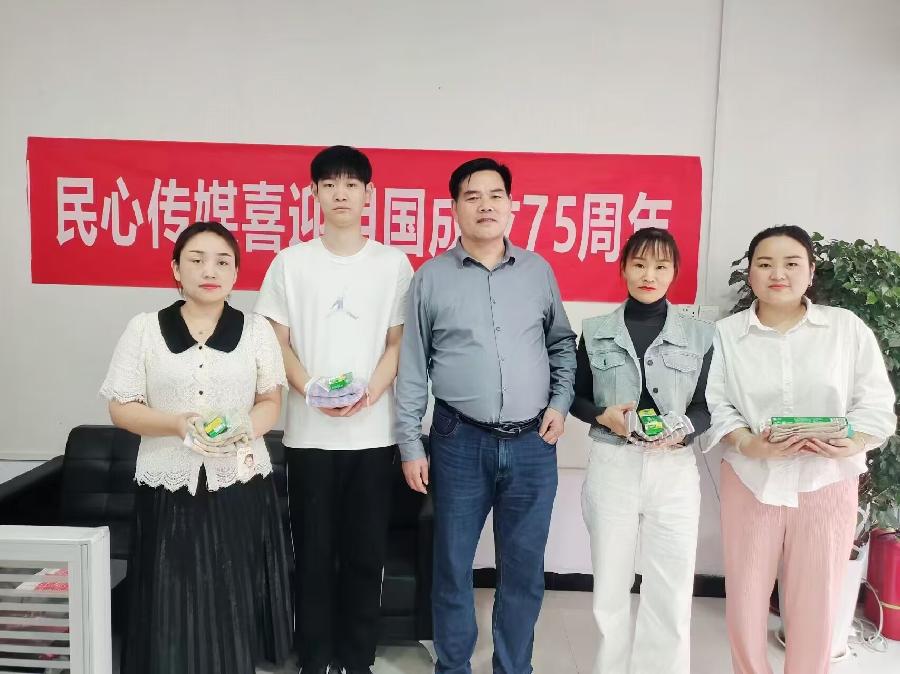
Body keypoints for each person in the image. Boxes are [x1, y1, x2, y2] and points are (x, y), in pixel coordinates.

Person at [395, 157, 577, 674]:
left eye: (495, 195)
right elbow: (413, 366)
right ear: (454, 208)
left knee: (523, 571)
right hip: (458, 440)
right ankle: (453, 666)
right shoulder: (430, 278)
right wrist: (410, 443)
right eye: (472, 196)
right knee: (452, 567)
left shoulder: (538, 272)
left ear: (511, 206)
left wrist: (560, 404)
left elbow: (562, 345)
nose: (485, 205)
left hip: (534, 442)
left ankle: (513, 667)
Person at [100, 221, 292, 674]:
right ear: (176, 269)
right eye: (197, 259)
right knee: (169, 597)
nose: (210, 270)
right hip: (167, 484)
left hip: (239, 482)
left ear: (236, 273)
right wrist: (173, 424)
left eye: (223, 261)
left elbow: (270, 402)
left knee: (232, 594)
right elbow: (121, 408)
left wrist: (243, 429)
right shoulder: (145, 329)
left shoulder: (256, 330)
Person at [706, 225, 896, 673]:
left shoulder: (845, 328)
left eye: (791, 263)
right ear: (750, 273)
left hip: (826, 481)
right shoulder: (726, 334)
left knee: (817, 602)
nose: (778, 274)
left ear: (811, 272)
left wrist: (852, 442)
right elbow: (715, 402)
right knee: (746, 597)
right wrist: (747, 443)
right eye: (765, 264)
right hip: (752, 478)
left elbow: (876, 402)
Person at [255, 145, 413, 674]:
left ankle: (357, 659)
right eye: (329, 184)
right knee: (314, 554)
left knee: (367, 556)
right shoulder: (290, 263)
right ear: (314, 193)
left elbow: (399, 342)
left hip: (373, 436)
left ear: (370, 193)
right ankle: (315, 658)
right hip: (309, 437)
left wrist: (369, 393)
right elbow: (275, 342)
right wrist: (311, 392)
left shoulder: (392, 264)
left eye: (351, 184)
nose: (340, 193)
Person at [570, 227, 714, 674]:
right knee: (610, 585)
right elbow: (575, 397)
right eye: (639, 264)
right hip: (613, 464)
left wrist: (685, 430)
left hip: (674, 469)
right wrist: (603, 416)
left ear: (674, 272)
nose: (649, 275)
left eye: (661, 265)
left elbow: (708, 406)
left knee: (670, 587)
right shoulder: (596, 331)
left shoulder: (700, 335)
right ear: (623, 269)